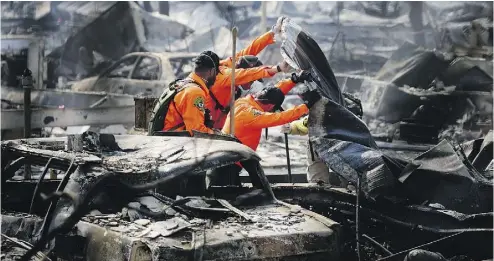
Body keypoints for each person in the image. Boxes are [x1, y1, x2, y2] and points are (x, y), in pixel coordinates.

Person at [206, 80, 321, 187]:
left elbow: (273, 91)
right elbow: (279, 117)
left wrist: (292, 81)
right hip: (226, 167)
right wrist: (306, 106)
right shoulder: (250, 115)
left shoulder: (243, 101)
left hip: (229, 159)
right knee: (227, 197)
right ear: (271, 106)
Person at [207, 17, 291, 129]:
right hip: (203, 122)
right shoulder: (226, 75)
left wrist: (273, 32)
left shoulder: (235, 62)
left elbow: (251, 50)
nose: (251, 85)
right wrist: (278, 68)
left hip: (218, 121)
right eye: (251, 81)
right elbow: (249, 74)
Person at [161, 51, 220, 135]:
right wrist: (216, 134)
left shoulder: (184, 84)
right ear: (212, 71)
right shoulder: (195, 92)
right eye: (217, 73)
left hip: (170, 138)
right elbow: (196, 131)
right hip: (175, 141)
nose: (216, 77)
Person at [281, 115, 348, 186]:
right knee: (319, 182)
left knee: (350, 178)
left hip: (343, 145)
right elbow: (309, 122)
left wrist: (292, 127)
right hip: (320, 144)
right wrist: (292, 127)